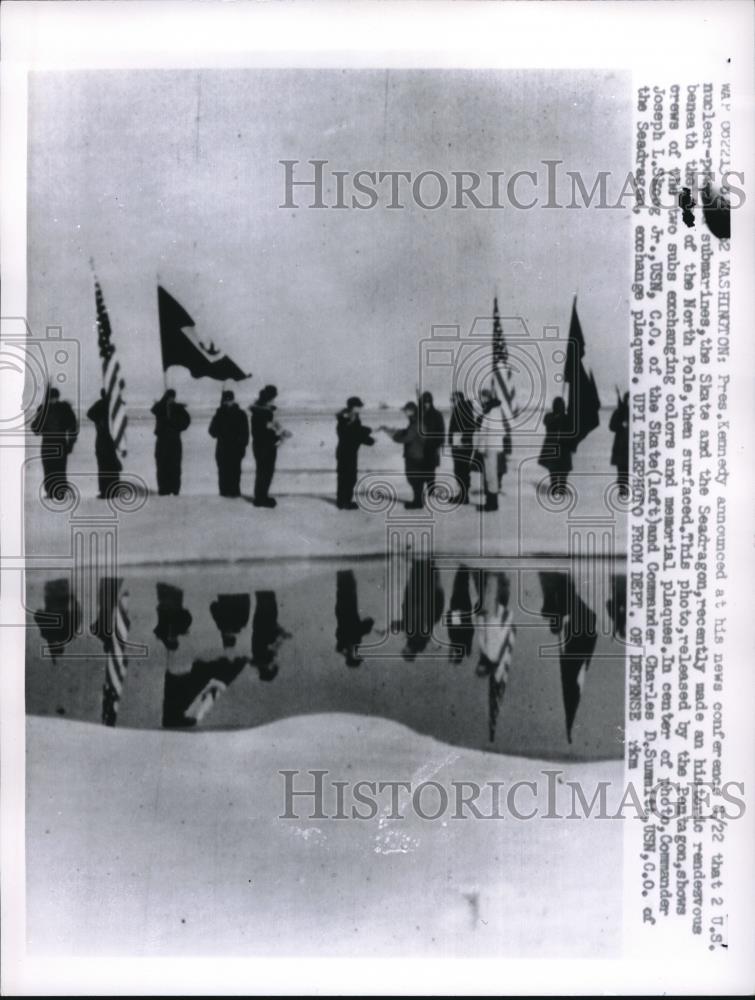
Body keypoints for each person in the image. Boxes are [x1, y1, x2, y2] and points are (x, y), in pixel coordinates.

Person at [379, 401, 429, 509]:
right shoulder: (415, 421)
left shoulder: (416, 423)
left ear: (411, 411)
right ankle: (418, 500)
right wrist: (394, 430)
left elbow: (407, 437)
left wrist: (392, 436)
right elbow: (407, 432)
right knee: (415, 479)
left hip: (414, 455)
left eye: (406, 411)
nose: (404, 413)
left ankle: (418, 502)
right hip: (418, 454)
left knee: (414, 479)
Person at [31, 386, 79, 498]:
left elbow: (36, 429)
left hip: (47, 444)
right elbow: (73, 428)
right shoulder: (65, 409)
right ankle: (60, 492)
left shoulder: (43, 410)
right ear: (58, 396)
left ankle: (50, 492)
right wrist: (71, 444)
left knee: (48, 469)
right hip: (61, 443)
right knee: (60, 468)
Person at [250, 385, 289, 507]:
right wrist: (279, 437)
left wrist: (280, 434)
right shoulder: (262, 414)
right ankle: (260, 499)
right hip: (264, 447)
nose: (274, 401)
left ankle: (261, 497)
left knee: (265, 472)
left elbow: (268, 429)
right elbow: (262, 433)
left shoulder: (262, 412)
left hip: (263, 446)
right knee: (265, 472)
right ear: (268, 399)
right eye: (273, 398)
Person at [335, 396, 375, 509]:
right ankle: (344, 502)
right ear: (353, 407)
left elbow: (356, 431)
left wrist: (367, 431)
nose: (360, 408)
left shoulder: (350, 417)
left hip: (347, 451)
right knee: (348, 477)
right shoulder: (348, 419)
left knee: (346, 477)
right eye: (358, 406)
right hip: (347, 452)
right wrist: (370, 439)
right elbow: (354, 435)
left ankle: (342, 501)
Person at [209, 389, 249, 498]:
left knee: (234, 474)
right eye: (226, 401)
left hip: (234, 449)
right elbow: (212, 431)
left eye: (229, 400)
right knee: (225, 473)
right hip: (224, 449)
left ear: (233, 400)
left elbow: (245, 433)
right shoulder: (220, 414)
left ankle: (233, 495)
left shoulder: (240, 414)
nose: (228, 403)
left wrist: (242, 447)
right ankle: (226, 495)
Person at [151, 389, 191, 496]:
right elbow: (154, 410)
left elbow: (186, 422)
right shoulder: (160, 408)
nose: (170, 399)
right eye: (168, 397)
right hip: (162, 442)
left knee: (175, 467)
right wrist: (163, 403)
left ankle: (174, 489)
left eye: (172, 397)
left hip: (174, 442)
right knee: (162, 466)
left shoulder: (178, 409)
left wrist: (175, 413)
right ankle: (163, 490)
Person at [473, 388, 506, 511]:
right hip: (490, 447)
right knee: (489, 475)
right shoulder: (490, 410)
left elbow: (492, 432)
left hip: (490, 448)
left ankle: (492, 503)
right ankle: (491, 501)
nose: (481, 400)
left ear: (487, 398)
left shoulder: (493, 411)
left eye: (483, 397)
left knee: (491, 476)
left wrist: (484, 448)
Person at [87, 389, 122, 499]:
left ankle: (107, 490)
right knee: (109, 465)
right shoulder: (106, 405)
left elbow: (90, 414)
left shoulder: (107, 405)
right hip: (106, 439)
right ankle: (109, 490)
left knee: (106, 466)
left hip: (105, 440)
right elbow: (90, 414)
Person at [335, 570, 374, 666]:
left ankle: (344, 571)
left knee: (345, 587)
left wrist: (366, 629)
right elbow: (369, 622)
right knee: (345, 587)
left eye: (356, 656)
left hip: (345, 609)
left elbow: (369, 622)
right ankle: (344, 571)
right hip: (345, 609)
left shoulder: (346, 642)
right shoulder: (347, 643)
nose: (357, 654)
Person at [537, 396, 574, 497]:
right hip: (552, 447)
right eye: (558, 406)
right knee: (553, 470)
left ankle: (561, 489)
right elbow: (547, 422)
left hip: (564, 447)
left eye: (561, 406)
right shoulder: (549, 416)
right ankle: (554, 488)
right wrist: (557, 418)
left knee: (563, 470)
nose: (560, 408)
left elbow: (571, 429)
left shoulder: (566, 418)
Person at [447, 391, 475, 504]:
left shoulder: (463, 409)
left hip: (463, 445)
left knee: (462, 470)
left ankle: (464, 496)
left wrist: (464, 439)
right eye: (451, 399)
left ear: (459, 399)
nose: (451, 402)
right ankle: (462, 494)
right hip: (458, 444)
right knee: (459, 470)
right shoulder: (458, 409)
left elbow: (470, 426)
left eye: (453, 399)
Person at [418, 391, 445, 498]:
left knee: (431, 469)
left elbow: (441, 431)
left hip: (432, 446)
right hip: (421, 446)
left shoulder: (437, 414)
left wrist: (438, 445)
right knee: (421, 469)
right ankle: (421, 489)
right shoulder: (419, 414)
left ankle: (431, 489)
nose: (426, 404)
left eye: (428, 402)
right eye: (424, 402)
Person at [609, 390, 630, 498]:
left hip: (632, 447)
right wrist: (620, 425)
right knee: (622, 471)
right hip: (621, 447)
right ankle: (622, 490)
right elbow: (612, 427)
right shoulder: (619, 412)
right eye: (628, 399)